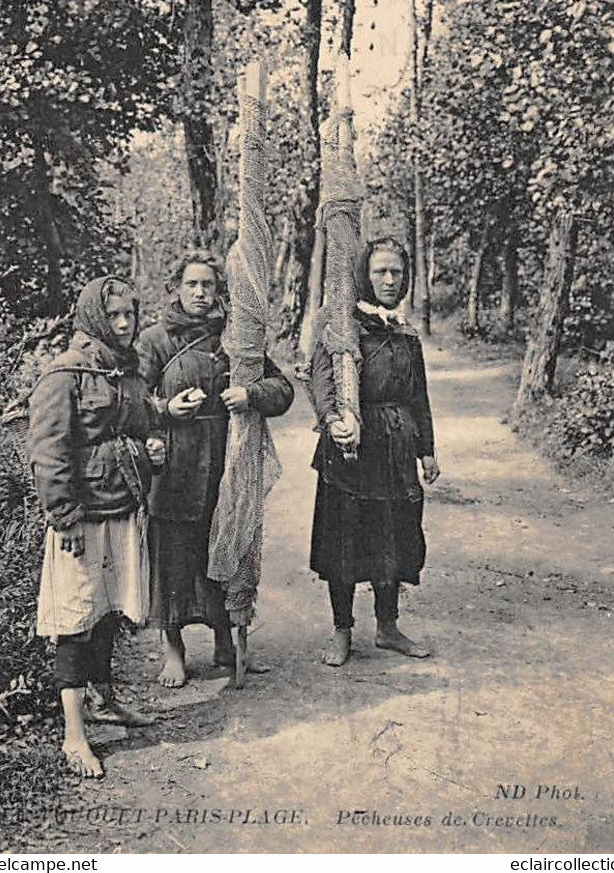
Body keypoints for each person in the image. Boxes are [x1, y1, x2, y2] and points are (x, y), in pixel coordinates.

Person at [28, 276, 165, 779]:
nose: (126, 324)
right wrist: (63, 517)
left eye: (131, 313)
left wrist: (153, 452)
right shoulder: (64, 376)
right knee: (75, 621)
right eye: (114, 316)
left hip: (122, 509)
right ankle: (73, 734)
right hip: (81, 520)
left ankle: (105, 702)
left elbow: (140, 427)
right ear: (92, 318)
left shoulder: (126, 372)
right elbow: (48, 455)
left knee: (108, 612)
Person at [137, 249, 294, 688]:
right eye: (192, 284)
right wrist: (166, 408)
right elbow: (131, 401)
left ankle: (227, 643)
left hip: (226, 467)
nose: (200, 293)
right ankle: (173, 650)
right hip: (173, 468)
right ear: (176, 288)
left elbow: (283, 389)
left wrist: (251, 397)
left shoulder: (236, 337)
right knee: (172, 558)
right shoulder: (155, 340)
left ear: (219, 290)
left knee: (224, 552)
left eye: (208, 285)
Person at [309, 237, 440, 667]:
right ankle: (342, 630)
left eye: (396, 272)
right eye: (380, 271)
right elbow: (322, 380)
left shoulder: (404, 332)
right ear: (364, 275)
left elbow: (418, 395)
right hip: (351, 445)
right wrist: (334, 421)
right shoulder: (344, 325)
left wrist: (427, 450)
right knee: (345, 538)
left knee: (393, 537)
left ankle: (387, 626)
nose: (388, 279)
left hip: (396, 447)